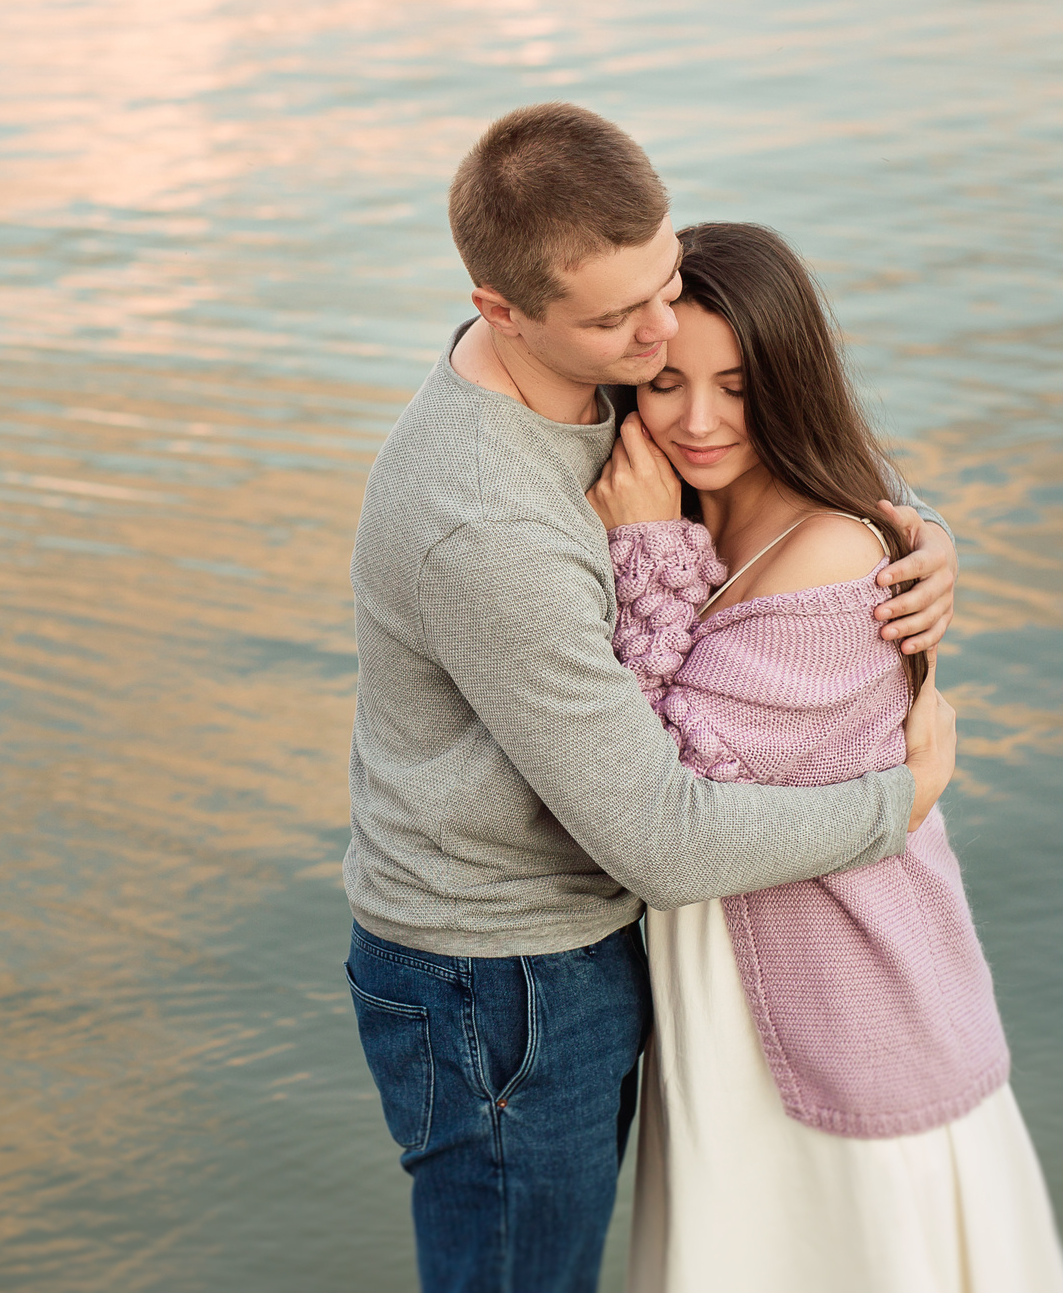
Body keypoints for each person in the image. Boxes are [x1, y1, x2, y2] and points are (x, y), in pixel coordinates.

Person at [342, 105, 963, 1292]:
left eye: (665, 282)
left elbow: (769, 448)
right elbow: (663, 840)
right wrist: (900, 802)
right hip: (499, 975)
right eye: (621, 318)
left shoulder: (602, 366)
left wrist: (921, 532)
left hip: (580, 938)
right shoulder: (488, 523)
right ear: (501, 311)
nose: (659, 331)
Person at [596, 222, 1063, 1292]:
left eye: (738, 382)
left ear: (792, 378)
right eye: (665, 382)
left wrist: (645, 555)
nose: (700, 419)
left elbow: (645, 789)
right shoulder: (690, 514)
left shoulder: (826, 563)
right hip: (732, 1012)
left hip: (847, 1018)